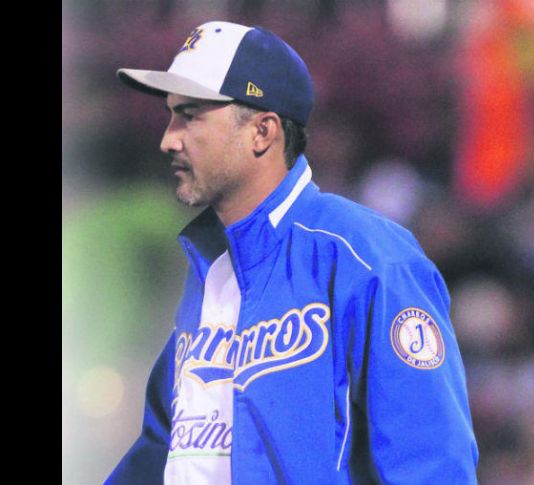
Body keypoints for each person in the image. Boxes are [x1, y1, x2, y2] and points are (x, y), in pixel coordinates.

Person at [105, 21, 478, 485]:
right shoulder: (208, 268)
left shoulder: (364, 255)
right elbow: (163, 453)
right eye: (171, 115)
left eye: (191, 115)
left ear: (262, 131)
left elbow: (432, 461)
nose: (169, 138)